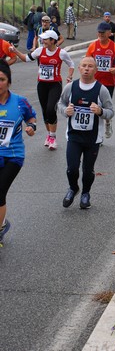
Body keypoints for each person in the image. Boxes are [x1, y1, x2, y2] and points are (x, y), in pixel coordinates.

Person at [58, 56, 114, 210]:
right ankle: (73, 188)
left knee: (88, 170)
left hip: (92, 138)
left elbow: (111, 111)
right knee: (72, 168)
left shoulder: (101, 90)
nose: (87, 69)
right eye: (84, 66)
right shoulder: (71, 87)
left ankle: (86, 193)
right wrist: (65, 110)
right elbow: (60, 103)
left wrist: (100, 111)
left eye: (90, 66)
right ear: (79, 68)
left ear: (95, 70)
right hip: (74, 137)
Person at [10, 30, 74, 150]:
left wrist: (70, 76)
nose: (43, 41)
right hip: (42, 85)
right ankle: (49, 135)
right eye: (42, 39)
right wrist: (15, 51)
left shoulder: (61, 53)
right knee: (45, 111)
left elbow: (71, 64)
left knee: (51, 109)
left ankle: (53, 137)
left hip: (55, 84)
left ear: (53, 40)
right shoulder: (40, 51)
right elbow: (26, 58)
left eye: (45, 39)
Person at [0, 60, 37, 245]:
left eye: (1, 79)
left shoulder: (20, 102)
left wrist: (31, 127)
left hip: (13, 156)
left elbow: (31, 117)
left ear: (9, 82)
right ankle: (2, 223)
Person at [86, 22, 115, 138]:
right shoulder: (93, 46)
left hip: (109, 82)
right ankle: (98, 135)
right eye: (99, 32)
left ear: (109, 33)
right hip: (95, 82)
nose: (101, 34)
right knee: (95, 107)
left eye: (103, 32)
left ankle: (108, 122)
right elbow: (87, 61)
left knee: (104, 107)